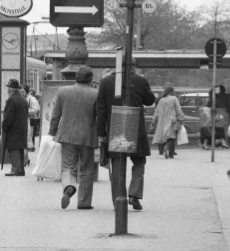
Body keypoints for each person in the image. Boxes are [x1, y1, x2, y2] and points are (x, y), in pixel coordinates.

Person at [96, 59, 156, 211]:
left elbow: (101, 109)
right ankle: (134, 194)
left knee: (117, 164)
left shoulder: (106, 82)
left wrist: (101, 133)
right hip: (136, 128)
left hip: (116, 126)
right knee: (139, 162)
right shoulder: (140, 80)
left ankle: (118, 199)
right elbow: (150, 100)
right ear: (134, 66)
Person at [49, 66, 99, 209]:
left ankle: (69, 186)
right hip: (87, 137)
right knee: (87, 169)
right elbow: (100, 116)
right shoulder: (96, 93)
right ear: (90, 79)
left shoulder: (63, 91)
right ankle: (84, 202)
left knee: (67, 166)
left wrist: (52, 131)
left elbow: (56, 113)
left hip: (67, 135)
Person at [2, 78, 30, 176]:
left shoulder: (11, 100)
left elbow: (8, 117)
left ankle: (16, 169)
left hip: (13, 129)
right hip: (22, 128)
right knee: (20, 149)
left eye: (8, 87)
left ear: (10, 89)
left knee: (13, 148)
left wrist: (4, 127)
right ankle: (21, 169)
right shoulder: (23, 99)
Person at [151, 86, 184, 159]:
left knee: (165, 136)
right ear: (171, 92)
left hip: (162, 121)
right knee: (172, 137)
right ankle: (168, 149)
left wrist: (153, 121)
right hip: (172, 120)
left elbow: (157, 111)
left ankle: (168, 151)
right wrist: (181, 117)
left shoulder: (162, 100)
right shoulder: (174, 98)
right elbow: (178, 108)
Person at [24, 85, 41, 153]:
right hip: (22, 119)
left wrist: (26, 111)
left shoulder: (32, 99)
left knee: (29, 133)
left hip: (29, 119)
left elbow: (37, 109)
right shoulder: (22, 98)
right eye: (20, 92)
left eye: (23, 92)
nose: (21, 93)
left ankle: (30, 147)